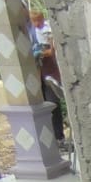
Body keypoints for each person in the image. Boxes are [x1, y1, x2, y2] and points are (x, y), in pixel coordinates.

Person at [27, 8, 64, 144]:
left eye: (39, 21)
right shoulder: (29, 33)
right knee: (40, 106)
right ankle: (47, 139)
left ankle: (59, 137)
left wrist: (46, 52)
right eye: (35, 21)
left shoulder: (48, 29)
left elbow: (53, 50)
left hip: (49, 70)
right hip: (36, 73)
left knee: (53, 103)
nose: (38, 24)